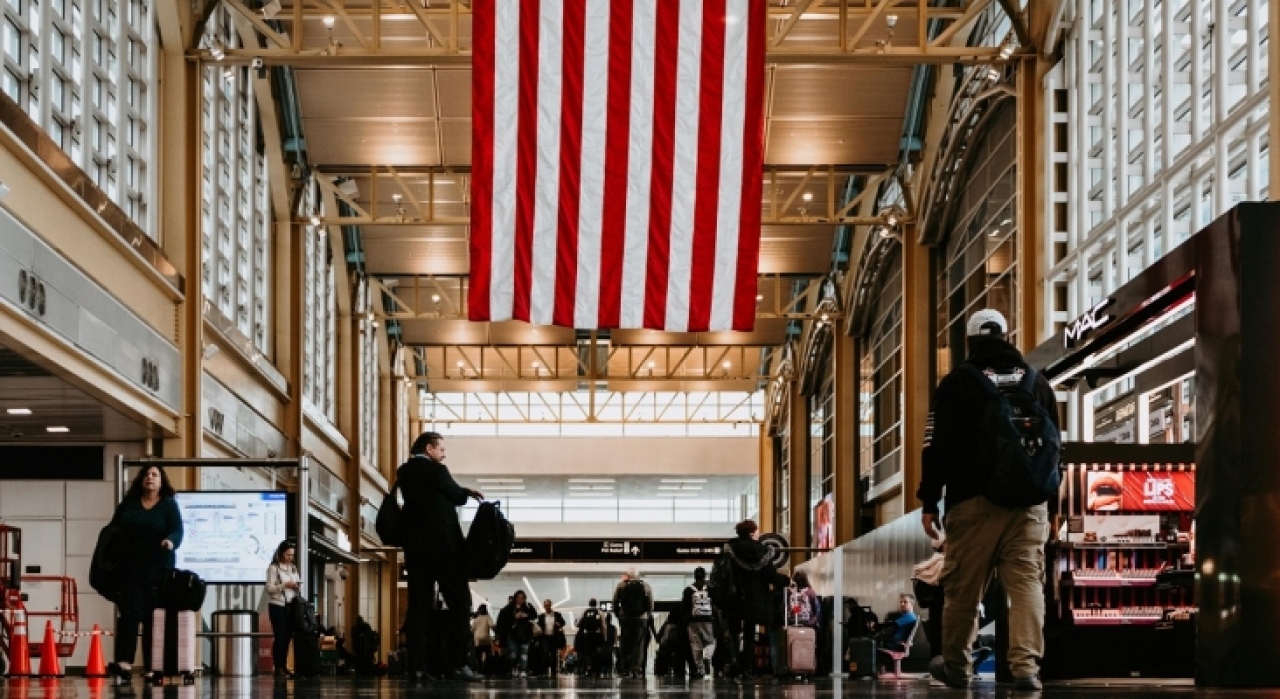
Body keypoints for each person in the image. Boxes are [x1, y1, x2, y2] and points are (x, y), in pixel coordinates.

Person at [917, 308, 1058, 692]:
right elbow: (1054, 451)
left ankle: (957, 667)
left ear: (970, 341)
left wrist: (929, 500)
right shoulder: (1036, 382)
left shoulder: (959, 382)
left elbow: (936, 447)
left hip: (973, 503)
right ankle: (1026, 668)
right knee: (1027, 586)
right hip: (1030, 506)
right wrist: (1052, 507)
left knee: (964, 588)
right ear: (1008, 337)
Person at [398, 430, 484, 683]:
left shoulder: (404, 472)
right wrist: (465, 492)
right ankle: (457, 663)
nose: (443, 454)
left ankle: (417, 667)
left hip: (416, 549)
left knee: (418, 607)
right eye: (441, 449)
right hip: (445, 549)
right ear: (429, 449)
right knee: (460, 603)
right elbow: (457, 497)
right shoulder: (437, 471)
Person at [106, 465, 184, 682]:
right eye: (147, 474)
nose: (150, 477)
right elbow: (113, 530)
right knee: (129, 614)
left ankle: (152, 665)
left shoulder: (168, 505)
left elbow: (177, 530)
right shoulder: (129, 505)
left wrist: (170, 542)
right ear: (141, 480)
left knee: (152, 618)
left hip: (158, 571)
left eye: (154, 474)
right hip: (130, 569)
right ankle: (124, 661)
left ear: (161, 481)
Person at [720, 519, 776, 679]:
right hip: (754, 598)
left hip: (734, 597)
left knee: (734, 631)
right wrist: (786, 581)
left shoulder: (729, 550)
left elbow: (721, 573)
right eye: (757, 531)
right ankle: (747, 667)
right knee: (750, 633)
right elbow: (770, 576)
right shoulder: (763, 552)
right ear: (752, 534)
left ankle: (735, 663)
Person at [264, 540, 302, 678]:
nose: (290, 558)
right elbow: (269, 589)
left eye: (292, 555)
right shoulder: (274, 568)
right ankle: (278, 666)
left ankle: (284, 666)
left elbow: (296, 583)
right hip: (277, 605)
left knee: (287, 637)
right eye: (288, 555)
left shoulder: (293, 568)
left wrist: (296, 586)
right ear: (281, 553)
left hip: (290, 605)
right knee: (280, 636)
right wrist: (284, 585)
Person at [612, 567, 654, 678]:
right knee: (638, 645)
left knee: (625, 644)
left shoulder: (621, 585)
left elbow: (615, 602)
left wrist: (618, 615)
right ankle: (636, 670)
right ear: (638, 575)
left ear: (628, 575)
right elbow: (650, 603)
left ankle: (625, 670)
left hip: (625, 618)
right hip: (641, 619)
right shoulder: (645, 586)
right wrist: (647, 616)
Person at [681, 566, 714, 679]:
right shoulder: (710, 589)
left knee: (696, 646)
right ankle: (707, 657)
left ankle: (699, 669)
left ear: (694, 576)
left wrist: (686, 619)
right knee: (710, 642)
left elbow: (684, 607)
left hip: (693, 621)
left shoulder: (688, 590)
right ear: (705, 576)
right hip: (708, 620)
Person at [495, 590, 537, 677]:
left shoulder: (528, 607)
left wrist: (526, 616)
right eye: (518, 597)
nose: (520, 599)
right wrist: (514, 617)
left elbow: (534, 616)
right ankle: (514, 668)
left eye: (522, 598)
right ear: (515, 598)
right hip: (512, 634)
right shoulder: (508, 609)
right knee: (513, 652)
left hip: (525, 634)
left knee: (524, 653)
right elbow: (502, 621)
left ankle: (522, 670)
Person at [535, 599, 566, 677]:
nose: (547, 607)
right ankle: (544, 670)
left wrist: (559, 624)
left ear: (551, 605)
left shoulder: (557, 615)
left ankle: (553, 671)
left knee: (553, 653)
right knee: (545, 653)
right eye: (546, 605)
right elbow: (539, 626)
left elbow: (563, 622)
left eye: (548, 605)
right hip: (544, 637)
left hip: (554, 637)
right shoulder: (541, 616)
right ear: (544, 606)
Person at [574, 599, 604, 677]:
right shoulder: (600, 612)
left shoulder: (585, 612)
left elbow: (579, 623)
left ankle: (589, 667)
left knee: (587, 653)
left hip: (587, 634)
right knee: (596, 651)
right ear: (596, 604)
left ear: (589, 604)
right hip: (597, 634)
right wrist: (604, 636)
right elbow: (603, 626)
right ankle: (597, 669)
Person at [471, 605, 495, 674]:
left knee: (478, 656)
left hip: (477, 639)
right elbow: (492, 626)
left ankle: (480, 669)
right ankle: (486, 669)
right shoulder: (488, 617)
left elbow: (472, 629)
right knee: (487, 655)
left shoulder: (476, 618)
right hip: (485, 638)